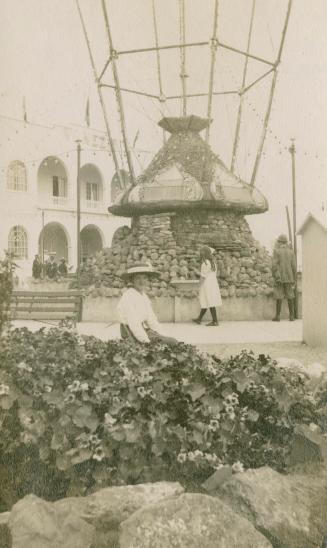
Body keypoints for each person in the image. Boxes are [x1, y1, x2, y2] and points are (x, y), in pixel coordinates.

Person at [117, 262, 178, 345]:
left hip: (141, 330)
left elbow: (152, 320)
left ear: (147, 280)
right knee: (171, 343)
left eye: (144, 278)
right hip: (130, 333)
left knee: (171, 341)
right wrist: (146, 342)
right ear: (132, 280)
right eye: (138, 278)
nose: (142, 281)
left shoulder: (143, 296)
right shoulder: (128, 296)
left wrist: (163, 335)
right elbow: (134, 324)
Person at [193, 246, 222, 326]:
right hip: (212, 283)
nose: (200, 254)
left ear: (204, 254)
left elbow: (203, 276)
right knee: (206, 300)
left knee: (209, 301)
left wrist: (198, 286)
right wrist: (198, 272)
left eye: (201, 253)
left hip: (207, 284)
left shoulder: (205, 263)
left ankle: (215, 321)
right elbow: (210, 274)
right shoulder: (213, 262)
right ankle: (199, 319)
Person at [272, 234, 296, 321]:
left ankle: (278, 316)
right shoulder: (291, 252)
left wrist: (275, 275)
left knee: (279, 296)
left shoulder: (276, 251)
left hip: (280, 277)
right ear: (286, 242)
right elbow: (294, 266)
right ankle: (292, 316)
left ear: (280, 242)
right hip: (289, 278)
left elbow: (274, 266)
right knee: (290, 296)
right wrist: (294, 279)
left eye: (278, 241)